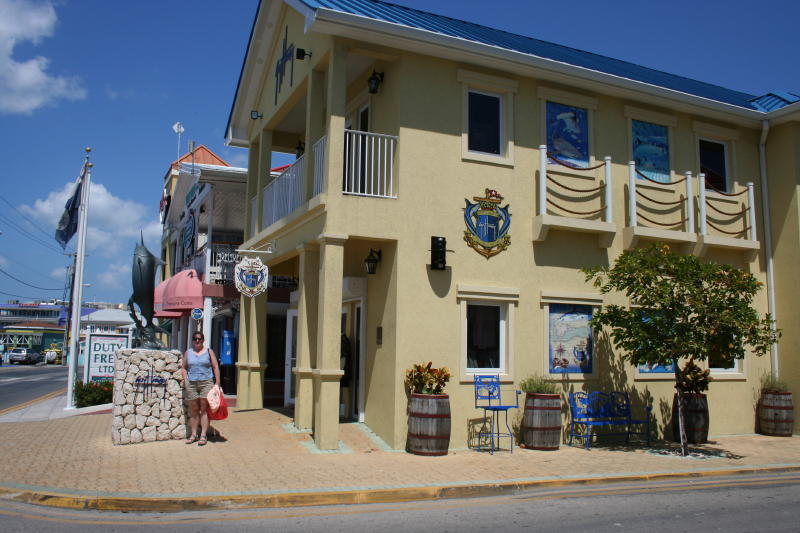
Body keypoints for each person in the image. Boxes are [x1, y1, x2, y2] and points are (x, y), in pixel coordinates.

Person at [181, 331, 220, 446]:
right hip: (192, 383)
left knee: (204, 408)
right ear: (192, 341)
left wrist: (217, 383)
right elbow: (183, 367)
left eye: (199, 339)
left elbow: (215, 367)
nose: (197, 341)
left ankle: (203, 435)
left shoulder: (209, 351)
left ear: (203, 340)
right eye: (195, 339)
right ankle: (193, 435)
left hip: (206, 383)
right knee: (193, 409)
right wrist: (186, 380)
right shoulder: (188, 353)